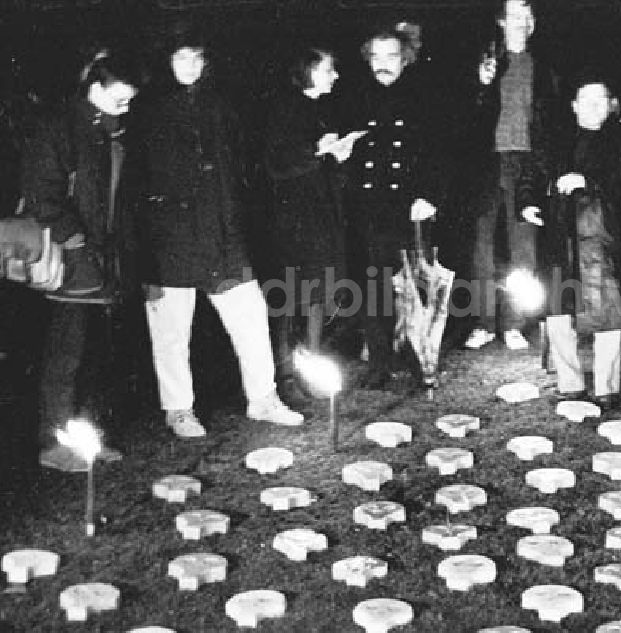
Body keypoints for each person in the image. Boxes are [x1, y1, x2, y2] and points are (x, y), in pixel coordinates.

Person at [136, 29, 304, 438]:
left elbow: (236, 175)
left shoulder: (222, 108)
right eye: (181, 59)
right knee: (172, 332)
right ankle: (178, 409)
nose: (190, 67)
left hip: (223, 242)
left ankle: (263, 398)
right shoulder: (148, 114)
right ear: (166, 63)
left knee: (250, 316)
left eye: (197, 58)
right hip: (169, 246)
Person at [19, 51, 139, 470]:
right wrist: (75, 240)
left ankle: (86, 437)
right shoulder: (59, 128)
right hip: (73, 259)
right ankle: (54, 443)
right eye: (121, 99)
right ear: (95, 89)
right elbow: (42, 193)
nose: (127, 108)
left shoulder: (112, 131)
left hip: (106, 259)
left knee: (96, 354)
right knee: (66, 355)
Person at [520, 73, 621, 407]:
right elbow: (532, 173)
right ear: (574, 106)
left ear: (611, 106)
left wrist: (587, 180)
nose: (593, 106)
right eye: (586, 100)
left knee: (608, 309)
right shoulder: (555, 140)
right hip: (558, 234)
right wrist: (527, 202)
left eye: (601, 100)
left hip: (602, 235)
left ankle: (606, 387)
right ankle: (569, 382)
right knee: (558, 308)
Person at [339, 28, 441, 389]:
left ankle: (419, 360)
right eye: (376, 57)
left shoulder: (423, 97)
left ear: (405, 59)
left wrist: (429, 196)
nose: (383, 65)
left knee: (414, 287)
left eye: (391, 56)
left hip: (408, 207)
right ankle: (379, 363)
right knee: (373, 288)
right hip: (368, 207)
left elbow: (439, 152)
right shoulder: (353, 98)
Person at [462, 0, 560, 351]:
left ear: (532, 23)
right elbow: (464, 119)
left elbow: (552, 124)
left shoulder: (545, 66)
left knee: (524, 247)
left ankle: (515, 323)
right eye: (513, 15)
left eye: (526, 15)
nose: (520, 21)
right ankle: (484, 322)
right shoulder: (484, 62)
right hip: (486, 162)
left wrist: (544, 169)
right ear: (501, 21)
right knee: (481, 246)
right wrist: (480, 84)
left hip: (527, 166)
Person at [262, 46, 354, 391]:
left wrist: (340, 156)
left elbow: (324, 163)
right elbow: (277, 164)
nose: (336, 75)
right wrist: (319, 150)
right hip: (292, 220)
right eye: (329, 69)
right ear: (309, 71)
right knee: (289, 297)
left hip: (322, 215)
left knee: (318, 294)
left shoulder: (323, 109)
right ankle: (284, 374)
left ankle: (311, 365)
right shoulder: (284, 109)